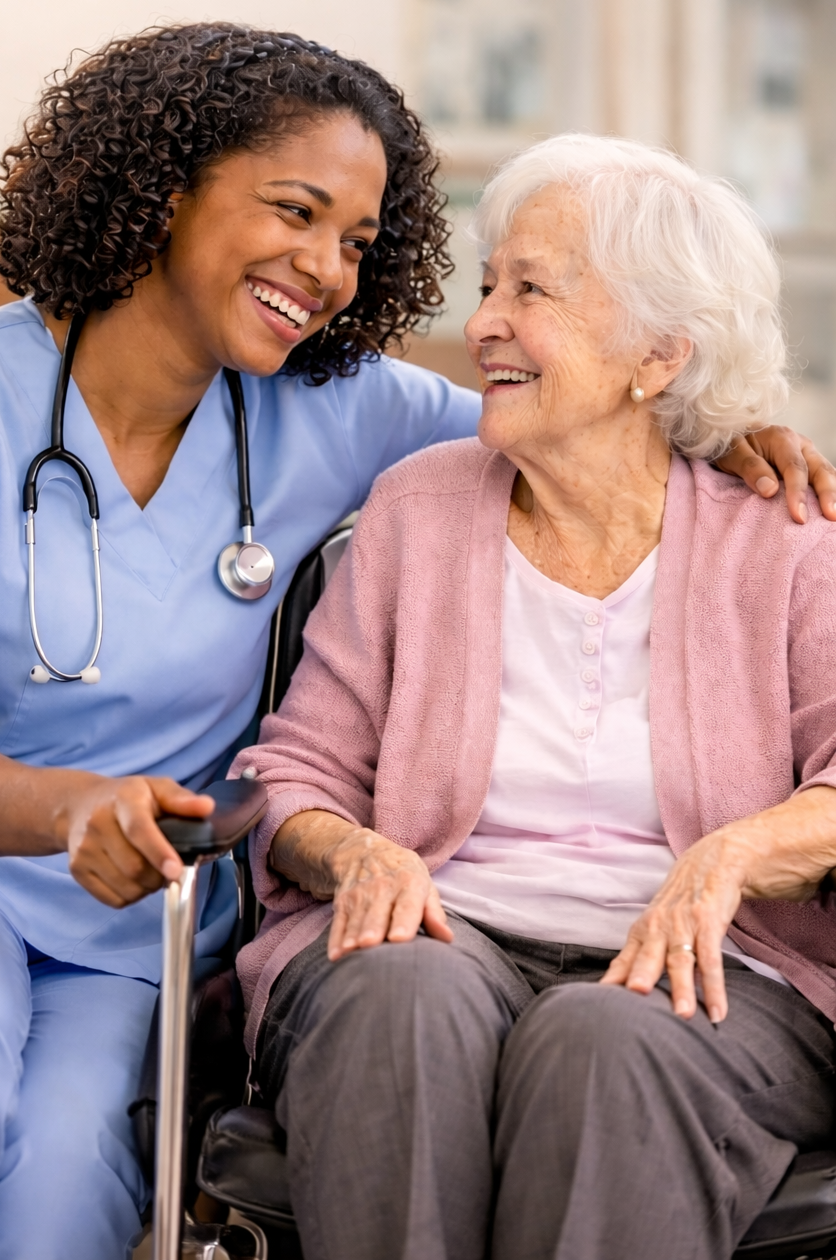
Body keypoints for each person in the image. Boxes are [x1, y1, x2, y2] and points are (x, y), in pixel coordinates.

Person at [0, 32, 823, 1260]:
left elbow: (578, 423)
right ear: (163, 187)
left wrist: (733, 433)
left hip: (133, 912)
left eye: (356, 241)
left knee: (64, 1181)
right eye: (295, 212)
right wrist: (83, 807)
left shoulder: (337, 405)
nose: (328, 269)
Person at [233, 133, 836, 1260]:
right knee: (399, 1003)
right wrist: (355, 852)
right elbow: (294, 773)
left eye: (531, 291)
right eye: (487, 287)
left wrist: (734, 855)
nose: (482, 325)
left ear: (659, 354)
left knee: (605, 1043)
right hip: (436, 938)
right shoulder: (418, 510)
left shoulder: (788, 543)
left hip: (719, 975)